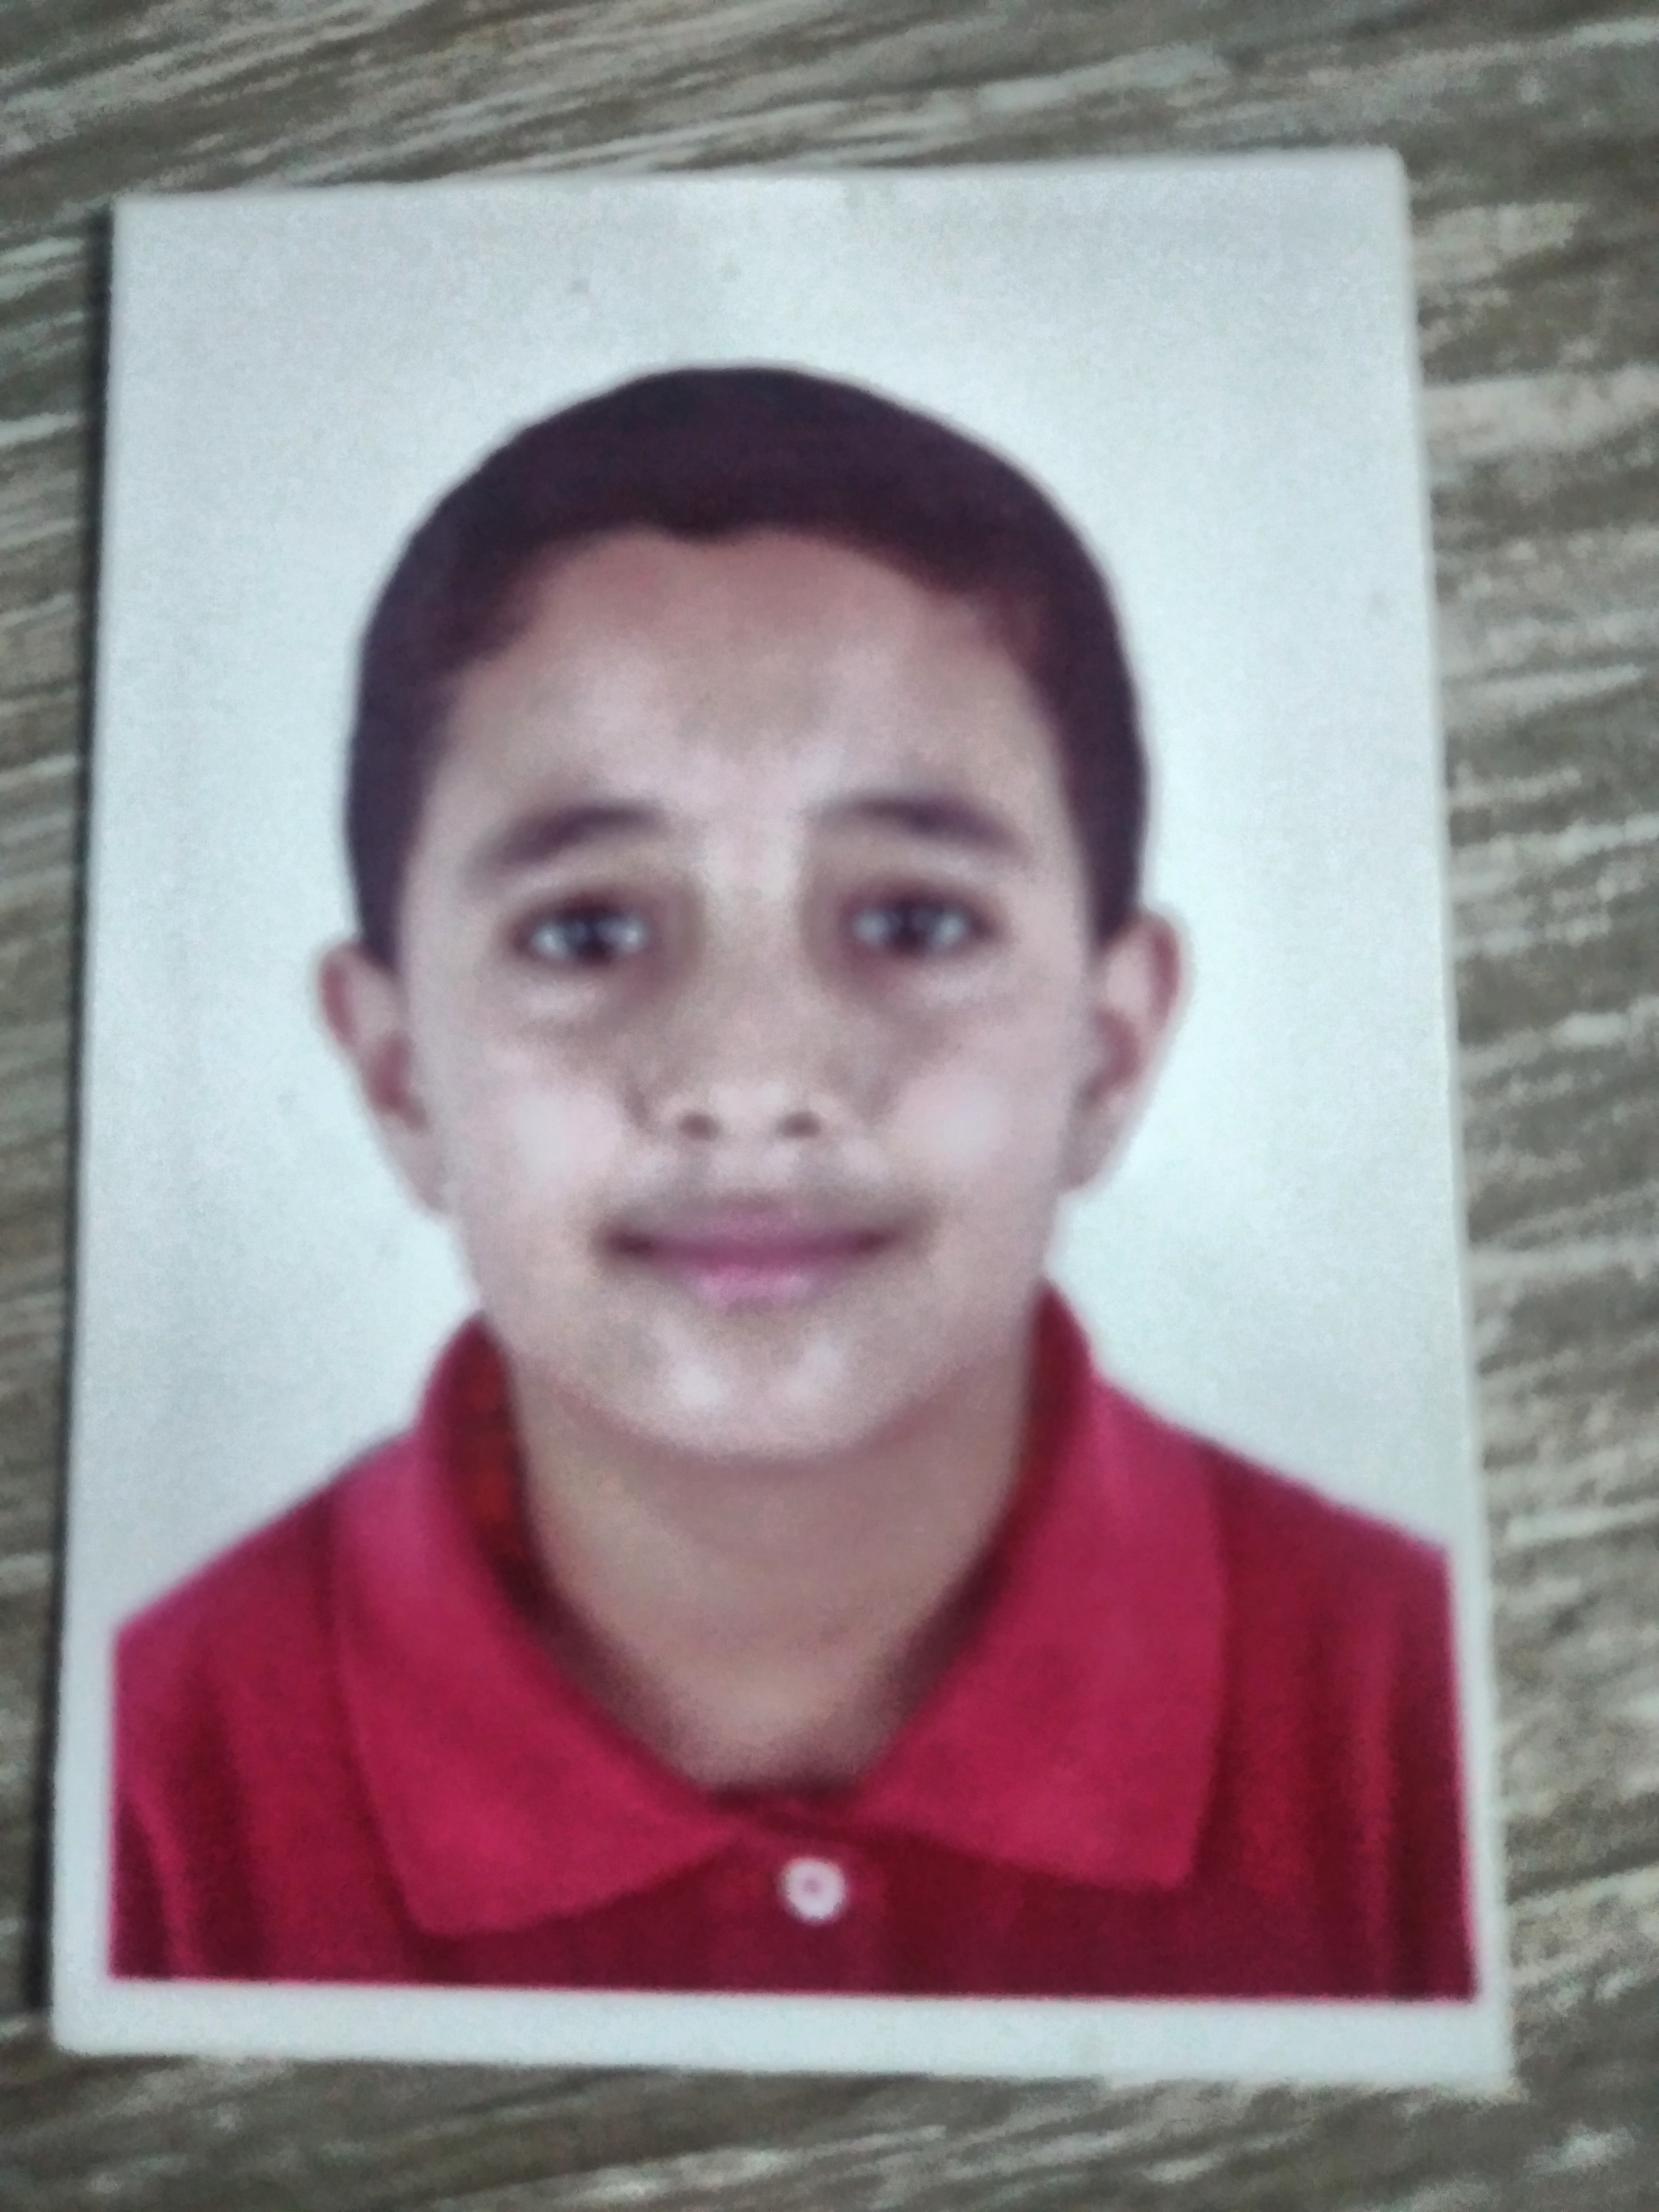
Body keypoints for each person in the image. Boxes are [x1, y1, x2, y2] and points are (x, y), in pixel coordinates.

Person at [113, 366, 1473, 1997]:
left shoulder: (1432, 1733)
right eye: (586, 931)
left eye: (911, 921)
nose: (752, 1082)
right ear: (400, 1074)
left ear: (1108, 1053)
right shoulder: (144, 1804)